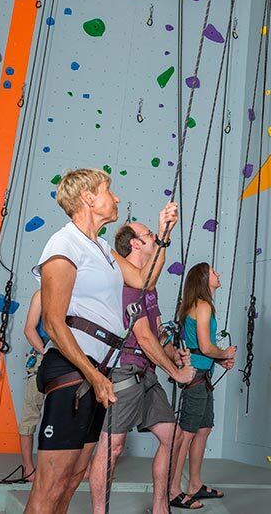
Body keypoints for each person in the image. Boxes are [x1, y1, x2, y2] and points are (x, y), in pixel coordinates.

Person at [25, 168, 127, 513]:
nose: (116, 198)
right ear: (88, 198)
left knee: (73, 478)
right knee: (50, 485)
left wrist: (163, 236)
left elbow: (143, 278)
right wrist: (94, 376)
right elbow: (53, 323)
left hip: (97, 372)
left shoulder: (101, 247)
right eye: (108, 190)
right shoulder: (63, 243)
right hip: (74, 371)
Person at [87, 205, 196, 514]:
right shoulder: (124, 283)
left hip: (146, 373)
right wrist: (175, 372)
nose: (152, 238)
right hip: (125, 372)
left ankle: (160, 507)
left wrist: (173, 351)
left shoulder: (149, 286)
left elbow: (157, 333)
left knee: (171, 436)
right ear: (135, 243)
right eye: (148, 234)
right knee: (113, 447)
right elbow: (144, 337)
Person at [168, 263, 237, 509]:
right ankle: (173, 491)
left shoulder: (197, 305)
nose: (219, 274)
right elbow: (206, 347)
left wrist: (220, 358)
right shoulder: (203, 305)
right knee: (185, 435)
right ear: (205, 279)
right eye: (214, 272)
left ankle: (194, 484)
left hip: (202, 376)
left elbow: (204, 348)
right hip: (196, 376)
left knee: (203, 429)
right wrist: (225, 352)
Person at [18, 290, 50, 481]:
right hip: (42, 356)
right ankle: (28, 467)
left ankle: (70, 466)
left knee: (69, 417)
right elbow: (29, 329)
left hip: (69, 358)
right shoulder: (40, 295)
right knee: (30, 415)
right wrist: (47, 353)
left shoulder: (76, 293)